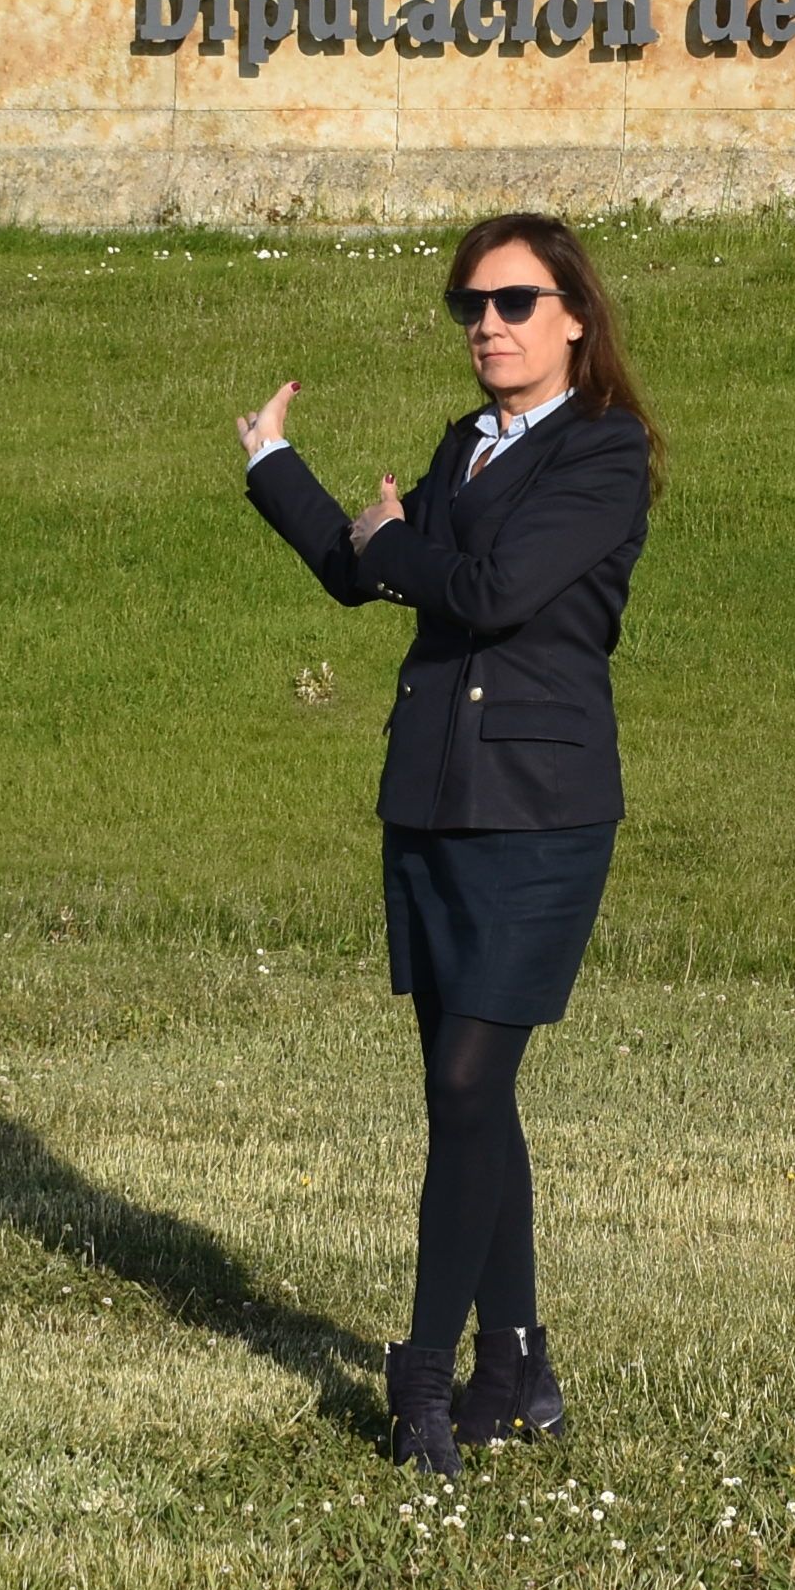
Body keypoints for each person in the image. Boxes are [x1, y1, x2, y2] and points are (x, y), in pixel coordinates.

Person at [237, 212, 654, 1477]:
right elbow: (363, 576)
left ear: (574, 313)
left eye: (515, 302)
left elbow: (486, 592)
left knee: (472, 1088)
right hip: (430, 802)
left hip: (539, 815)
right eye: (469, 305)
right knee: (467, 1099)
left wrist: (403, 544)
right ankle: (516, 1360)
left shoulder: (605, 451)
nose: (487, 325)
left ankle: (423, 1376)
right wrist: (278, 470)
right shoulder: (463, 447)